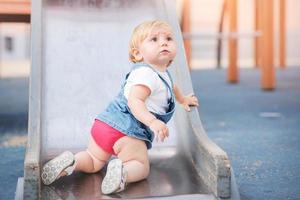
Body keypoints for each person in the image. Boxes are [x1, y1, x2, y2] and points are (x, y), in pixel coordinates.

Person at [41, 20, 199, 195]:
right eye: (154, 39)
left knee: (93, 161)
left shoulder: (161, 74)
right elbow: (135, 101)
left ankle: (72, 162)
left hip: (104, 125)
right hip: (127, 132)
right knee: (141, 166)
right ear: (137, 54)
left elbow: (172, 87)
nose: (163, 42)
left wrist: (182, 99)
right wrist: (152, 122)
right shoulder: (147, 75)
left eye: (168, 38)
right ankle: (123, 171)